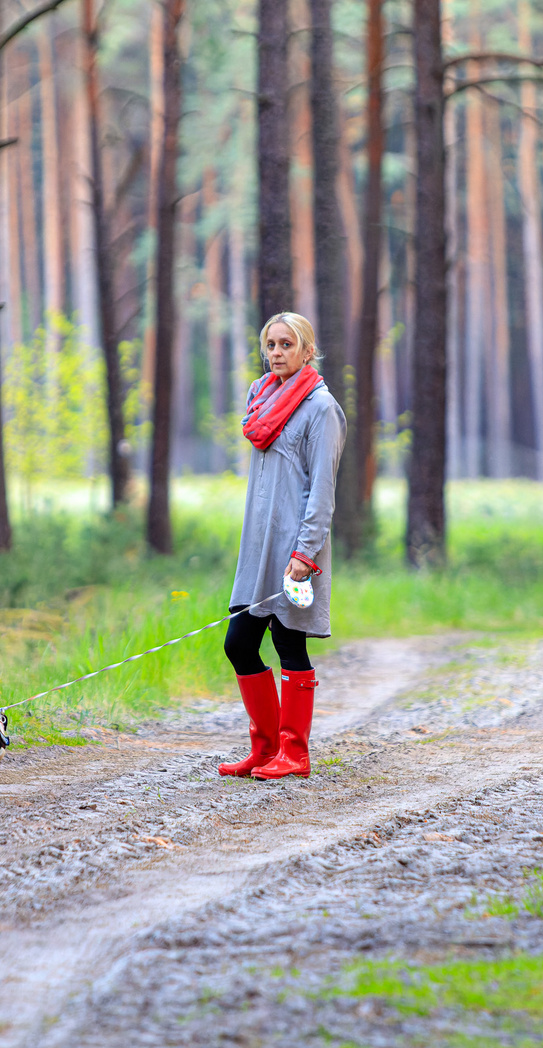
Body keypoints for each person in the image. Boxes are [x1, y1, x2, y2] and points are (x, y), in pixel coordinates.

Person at [220, 312, 346, 780]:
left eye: (286, 344)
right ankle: (267, 749)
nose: (276, 352)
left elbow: (322, 491)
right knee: (239, 645)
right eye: (270, 344)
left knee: (289, 643)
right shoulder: (261, 399)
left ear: (307, 350)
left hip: (296, 550)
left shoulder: (321, 408)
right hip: (258, 548)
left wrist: (304, 554)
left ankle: (295, 754)